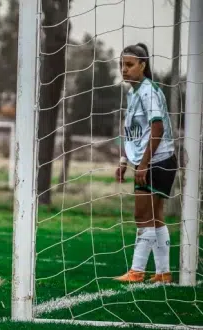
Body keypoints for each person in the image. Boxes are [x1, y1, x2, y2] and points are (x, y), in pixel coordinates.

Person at [114, 43, 176, 284]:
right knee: (156, 217)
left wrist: (143, 165)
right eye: (122, 65)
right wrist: (124, 160)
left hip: (157, 161)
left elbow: (157, 127)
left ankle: (137, 271)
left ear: (143, 65)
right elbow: (132, 132)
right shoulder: (133, 92)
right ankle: (163, 273)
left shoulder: (148, 91)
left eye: (129, 65)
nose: (124, 69)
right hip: (157, 161)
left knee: (142, 216)